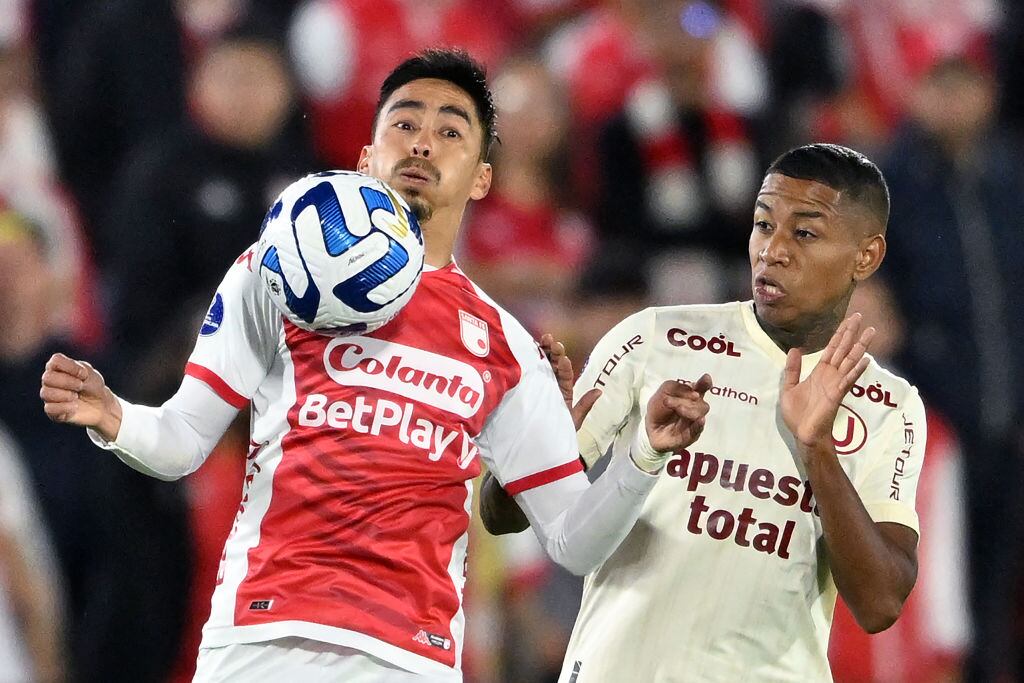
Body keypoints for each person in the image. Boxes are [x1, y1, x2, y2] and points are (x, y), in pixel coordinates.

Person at [39, 49, 706, 682]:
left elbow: (572, 539)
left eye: (450, 131)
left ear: (482, 177)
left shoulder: (507, 345)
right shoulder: (274, 273)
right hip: (263, 641)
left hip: (408, 657)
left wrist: (642, 452)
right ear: (366, 156)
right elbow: (184, 439)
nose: (421, 142)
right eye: (405, 124)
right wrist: (115, 417)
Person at [483, 143, 926, 681]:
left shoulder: (887, 405)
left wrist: (817, 451)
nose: (773, 250)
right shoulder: (655, 338)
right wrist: (539, 435)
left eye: (804, 233)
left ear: (866, 256)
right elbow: (500, 515)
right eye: (764, 225)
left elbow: (880, 604)